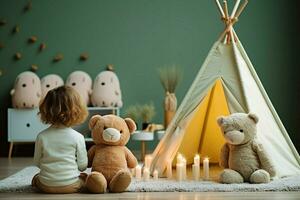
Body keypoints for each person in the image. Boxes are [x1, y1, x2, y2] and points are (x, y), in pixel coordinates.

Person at [32, 85, 88, 193]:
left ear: (45, 109)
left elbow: (37, 163)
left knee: (37, 178)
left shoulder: (41, 136)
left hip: (45, 186)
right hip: (71, 185)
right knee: (84, 178)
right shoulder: (78, 137)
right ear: (77, 110)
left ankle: (38, 180)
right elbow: (82, 166)